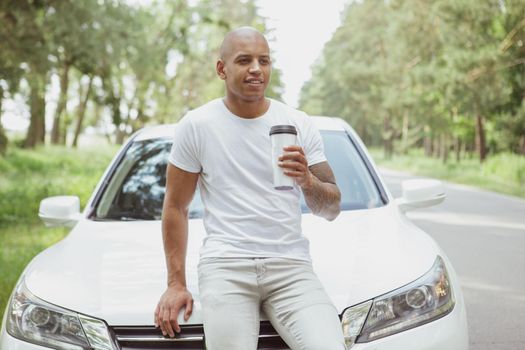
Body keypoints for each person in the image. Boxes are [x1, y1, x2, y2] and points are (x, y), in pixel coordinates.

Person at [154, 26, 346, 350]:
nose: (256, 69)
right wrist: (176, 283)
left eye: (264, 60)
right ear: (221, 69)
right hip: (226, 265)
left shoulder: (297, 122)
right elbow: (175, 207)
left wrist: (307, 180)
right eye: (244, 60)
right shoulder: (197, 126)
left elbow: (332, 208)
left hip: (291, 266)